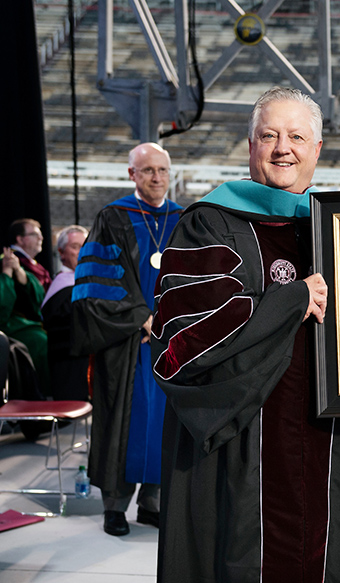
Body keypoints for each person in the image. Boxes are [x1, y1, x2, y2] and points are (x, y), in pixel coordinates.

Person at [150, 87, 340, 583]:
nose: (284, 148)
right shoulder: (209, 223)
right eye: (269, 135)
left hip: (322, 442)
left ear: (318, 149)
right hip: (240, 451)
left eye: (297, 136)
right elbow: (183, 345)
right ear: (250, 145)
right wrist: (292, 300)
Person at [71, 143, 184, 536]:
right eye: (148, 170)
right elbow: (95, 285)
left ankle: (151, 504)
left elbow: (197, 282)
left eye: (162, 170)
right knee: (123, 421)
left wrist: (171, 322)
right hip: (126, 345)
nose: (156, 178)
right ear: (131, 174)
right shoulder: (113, 217)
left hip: (172, 343)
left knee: (165, 423)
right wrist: (141, 318)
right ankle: (115, 508)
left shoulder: (185, 220)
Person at [41, 225, 89, 401]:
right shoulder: (62, 289)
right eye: (76, 246)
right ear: (61, 252)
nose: (82, 251)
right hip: (70, 368)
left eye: (86, 245)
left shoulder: (87, 282)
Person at [0, 246, 48, 401]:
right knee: (36, 339)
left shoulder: (13, 259)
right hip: (5, 323)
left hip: (17, 320)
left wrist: (18, 271)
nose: (40, 238)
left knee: (40, 335)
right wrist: (6, 272)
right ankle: (35, 396)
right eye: (34, 234)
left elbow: (37, 299)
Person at [8, 218, 51, 290]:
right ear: (20, 239)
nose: (41, 238)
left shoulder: (31, 262)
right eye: (35, 234)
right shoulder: (10, 261)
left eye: (40, 234)